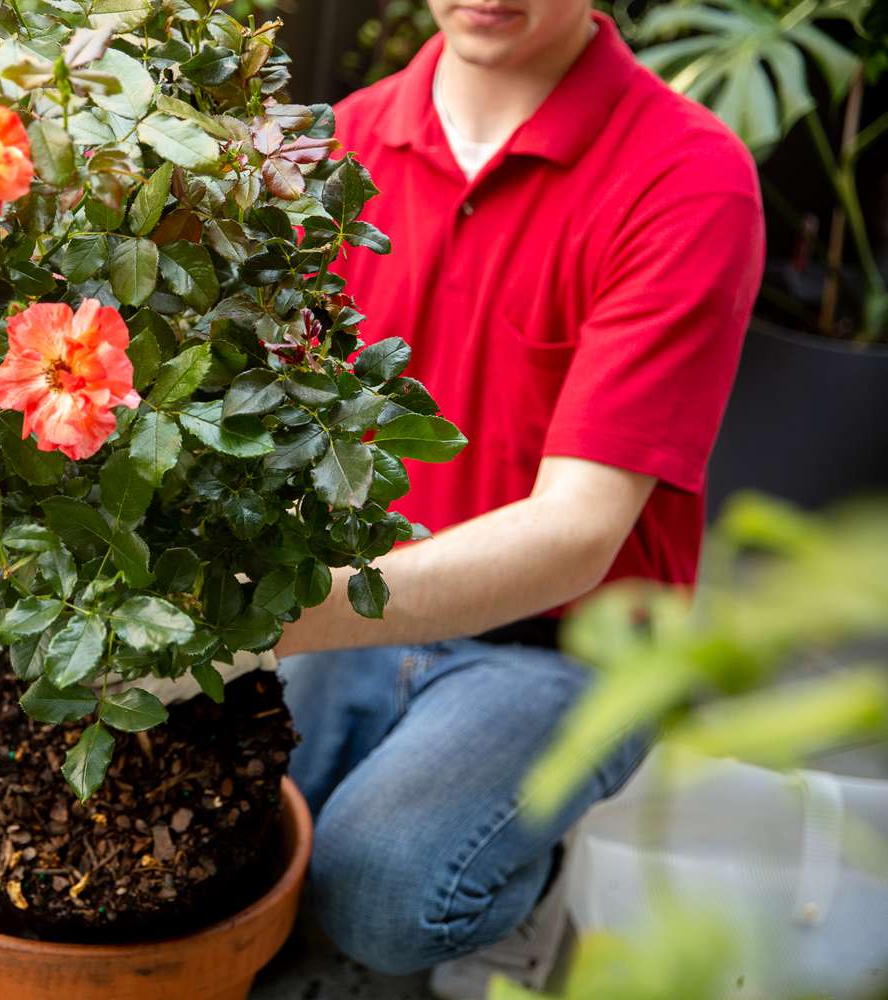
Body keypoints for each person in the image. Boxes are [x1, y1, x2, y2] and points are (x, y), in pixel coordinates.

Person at [273, 0, 764, 995]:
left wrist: (262, 616)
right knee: (231, 837)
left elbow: (577, 535)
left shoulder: (686, 175)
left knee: (377, 888)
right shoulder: (340, 146)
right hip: (354, 602)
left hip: (568, 642)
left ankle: (523, 885)